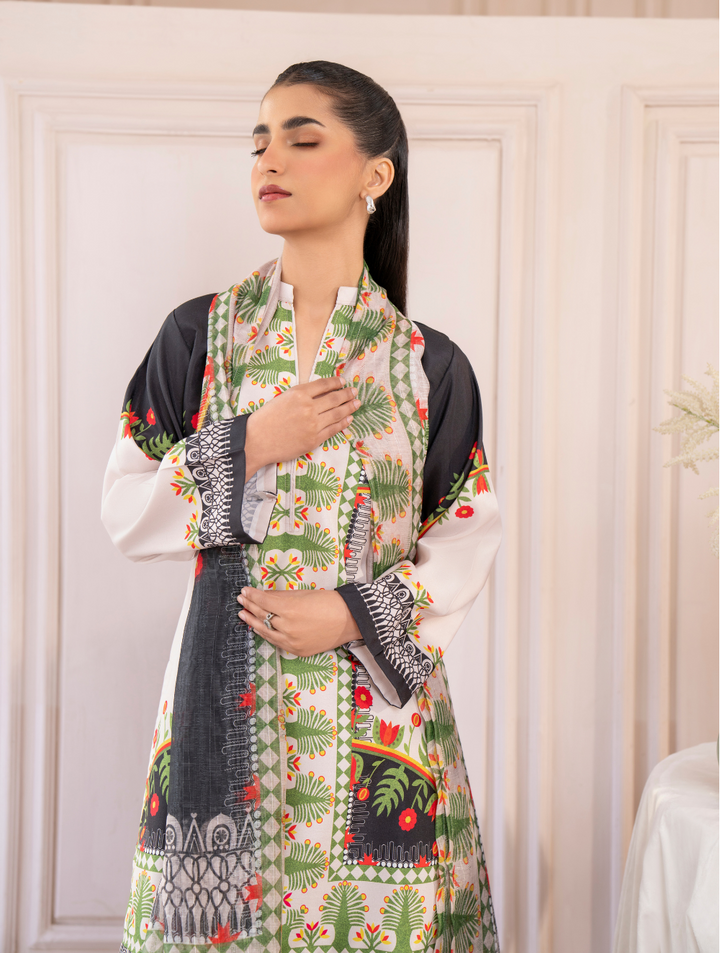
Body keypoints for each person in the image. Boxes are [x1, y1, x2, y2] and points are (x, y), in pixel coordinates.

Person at [102, 61, 502, 953]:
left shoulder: (429, 365)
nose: (269, 160)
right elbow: (125, 507)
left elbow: (466, 536)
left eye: (301, 138)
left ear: (375, 173)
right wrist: (247, 441)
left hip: (378, 725)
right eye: (259, 143)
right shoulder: (198, 337)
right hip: (219, 710)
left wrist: (353, 612)